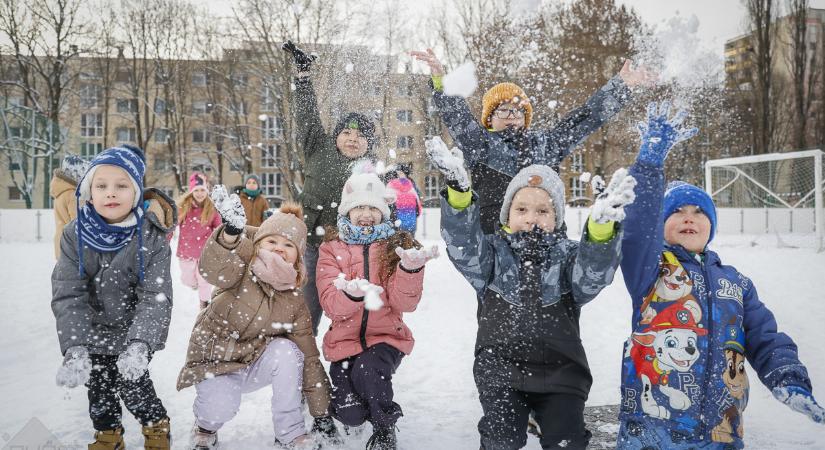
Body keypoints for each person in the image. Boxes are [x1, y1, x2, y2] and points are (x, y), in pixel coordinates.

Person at [616, 102, 825, 449]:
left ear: (710, 226)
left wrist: (788, 378)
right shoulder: (650, 269)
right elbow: (637, 229)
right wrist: (649, 166)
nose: (689, 217)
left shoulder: (737, 283)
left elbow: (765, 337)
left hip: (721, 432)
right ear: (660, 226)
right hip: (653, 432)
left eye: (699, 212)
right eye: (677, 211)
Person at [430, 135, 636, 450]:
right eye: (522, 208)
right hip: (500, 369)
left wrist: (601, 229)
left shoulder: (569, 257)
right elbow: (463, 246)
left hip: (562, 371)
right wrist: (459, 195)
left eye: (543, 210)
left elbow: (593, 277)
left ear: (556, 218)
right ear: (507, 214)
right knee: (501, 440)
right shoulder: (492, 255)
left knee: (567, 441)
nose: (531, 218)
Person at [412, 48, 655, 233]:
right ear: (489, 119)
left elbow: (586, 117)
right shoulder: (481, 145)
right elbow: (458, 116)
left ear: (526, 118)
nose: (511, 115)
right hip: (496, 246)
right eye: (502, 110)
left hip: (547, 244)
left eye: (517, 110)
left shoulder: (546, 145)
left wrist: (620, 86)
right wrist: (441, 81)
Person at [177, 189, 339, 449]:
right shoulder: (242, 262)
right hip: (216, 360)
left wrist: (322, 413)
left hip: (252, 362)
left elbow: (309, 357)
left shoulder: (294, 299)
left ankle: (290, 432)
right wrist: (229, 234)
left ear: (298, 256)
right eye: (272, 241)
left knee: (289, 351)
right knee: (220, 407)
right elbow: (212, 269)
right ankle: (205, 427)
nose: (279, 248)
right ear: (259, 242)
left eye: (289, 245)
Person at [51, 144, 177, 450]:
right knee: (98, 386)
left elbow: (155, 295)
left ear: (135, 192)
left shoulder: (151, 236)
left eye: (121, 185)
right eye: (101, 186)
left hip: (133, 329)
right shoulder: (74, 234)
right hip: (93, 328)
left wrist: (140, 343)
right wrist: (75, 345)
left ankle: (156, 426)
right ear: (89, 191)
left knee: (133, 383)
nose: (111, 193)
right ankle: (108, 435)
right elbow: (69, 293)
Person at [316, 169, 437, 450]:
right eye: (359, 206)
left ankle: (385, 429)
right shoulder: (331, 248)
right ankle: (356, 412)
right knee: (350, 412)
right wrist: (351, 295)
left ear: (383, 212)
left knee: (369, 371)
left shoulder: (393, 246)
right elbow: (330, 305)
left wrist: (410, 269)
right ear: (347, 210)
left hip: (386, 338)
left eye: (373, 207)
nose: (366, 214)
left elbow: (405, 304)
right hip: (343, 342)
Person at [283, 39, 379, 335]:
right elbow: (307, 116)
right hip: (312, 244)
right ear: (336, 136)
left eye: (360, 136)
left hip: (351, 251)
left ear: (368, 144)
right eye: (347, 132)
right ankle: (301, 355)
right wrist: (303, 77)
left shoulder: (371, 172)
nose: (352, 139)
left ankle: (346, 356)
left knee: (349, 313)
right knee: (306, 311)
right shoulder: (318, 147)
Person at [176, 172, 222, 309]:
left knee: (204, 280)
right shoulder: (183, 207)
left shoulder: (211, 208)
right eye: (196, 190)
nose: (200, 193)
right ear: (191, 191)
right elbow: (172, 225)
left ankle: (204, 303)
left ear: (207, 191)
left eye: (202, 190)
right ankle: (194, 284)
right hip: (186, 251)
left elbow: (218, 228)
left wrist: (220, 243)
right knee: (187, 279)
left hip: (205, 252)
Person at [49, 154, 89, 257]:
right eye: (82, 172)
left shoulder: (60, 191)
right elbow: (77, 224)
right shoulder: (72, 195)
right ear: (75, 173)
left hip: (61, 240)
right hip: (71, 245)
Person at [385, 165, 423, 234]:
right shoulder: (411, 185)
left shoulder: (391, 185)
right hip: (411, 219)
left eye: (400, 173)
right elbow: (418, 202)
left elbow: (386, 202)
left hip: (397, 221)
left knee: (398, 237)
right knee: (410, 237)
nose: (399, 175)